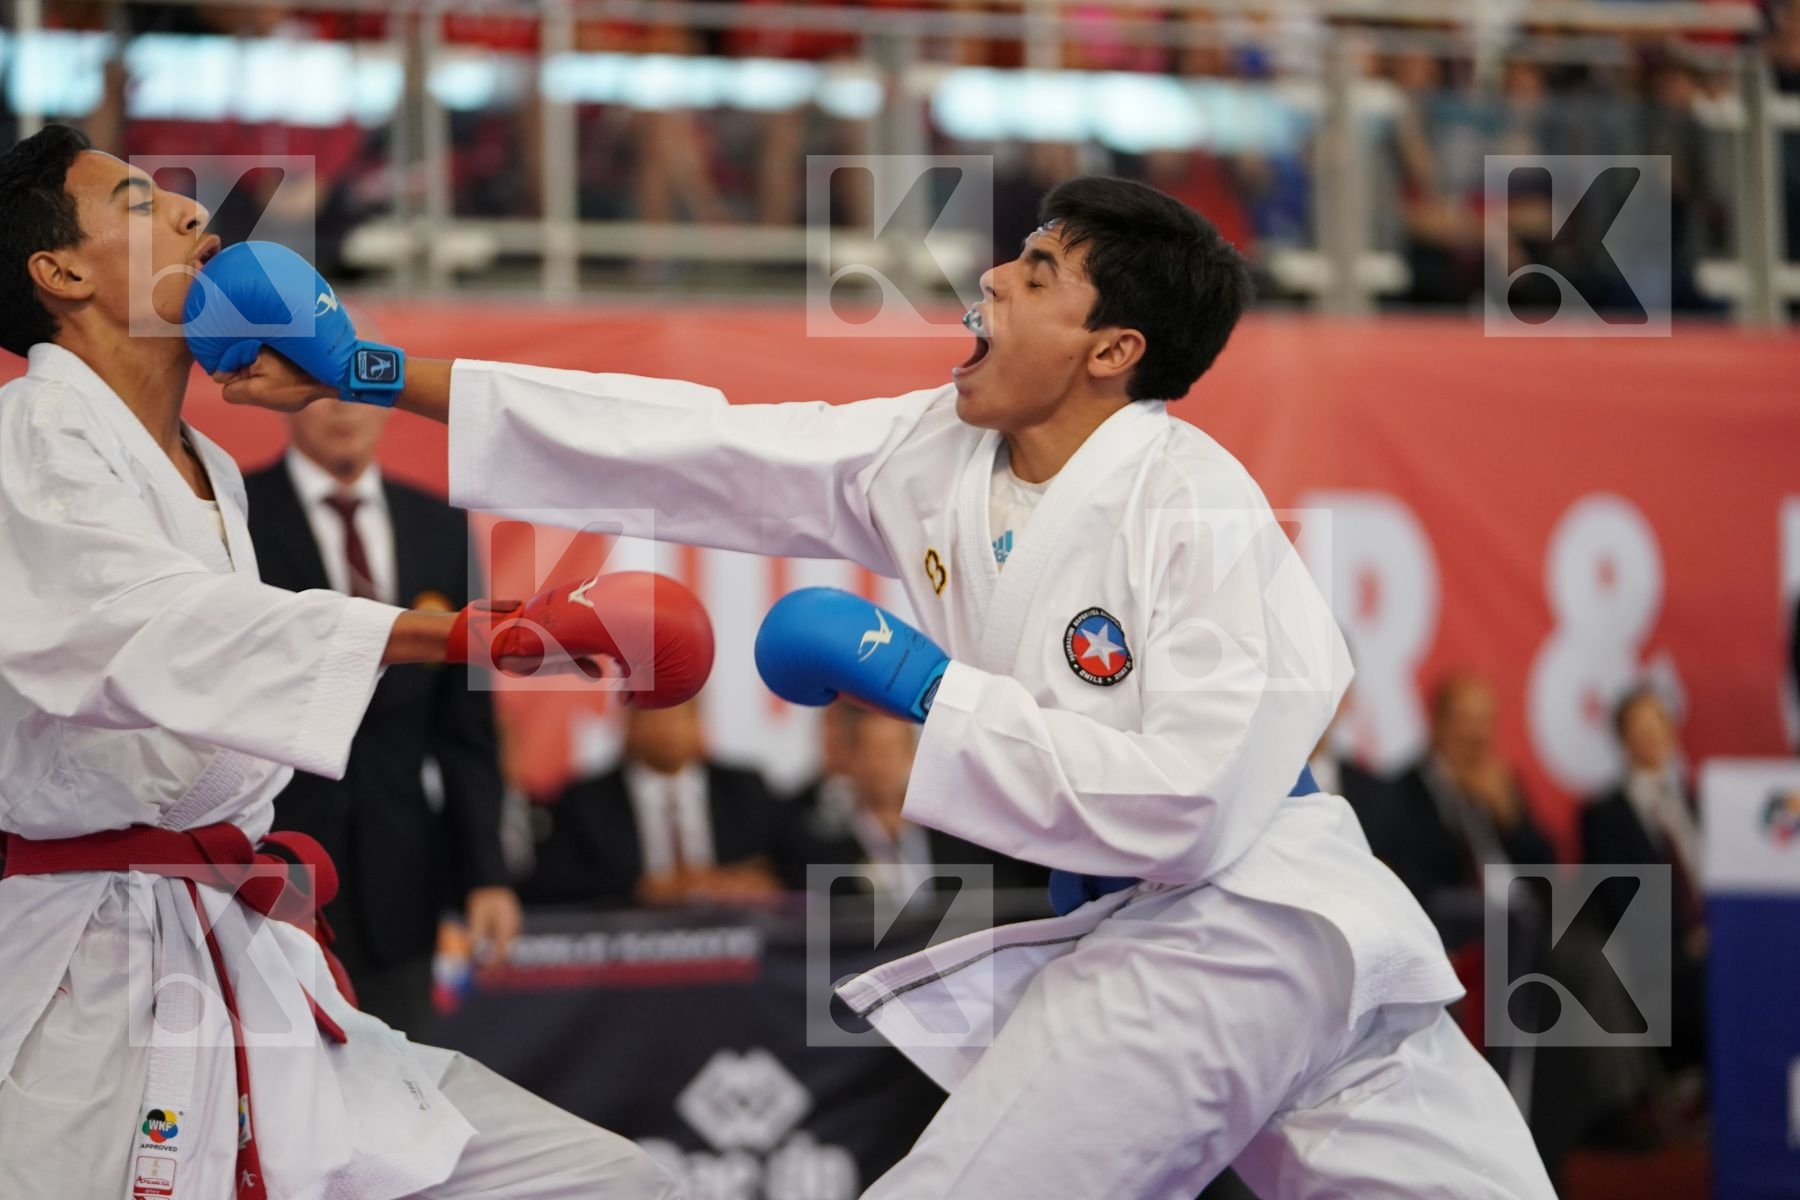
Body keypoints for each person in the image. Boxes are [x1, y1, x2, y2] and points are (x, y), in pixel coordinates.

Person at [215, 175, 1555, 1197]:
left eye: (1036, 272)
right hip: (1192, 941)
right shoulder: (935, 457)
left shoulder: (1188, 497)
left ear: (1114, 349)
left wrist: (924, 689)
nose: (989, 280)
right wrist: (387, 377)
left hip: (1242, 922)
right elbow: (697, 446)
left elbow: (1194, 807)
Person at [0, 125, 697, 1199]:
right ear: (62, 273)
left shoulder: (209, 468)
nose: (195, 214)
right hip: (88, 977)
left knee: (614, 1182)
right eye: (141, 205)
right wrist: (464, 633)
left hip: (232, 944)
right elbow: (155, 631)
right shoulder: (29, 440)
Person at [245, 398, 520, 1036]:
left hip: (404, 875)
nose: (340, 409)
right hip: (271, 867)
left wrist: (487, 876)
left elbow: (467, 724)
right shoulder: (239, 512)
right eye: (317, 389)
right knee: (280, 1093)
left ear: (388, 405)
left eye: (357, 389)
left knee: (406, 1091)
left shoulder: (437, 525)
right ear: (284, 399)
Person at [523, 697, 786, 907]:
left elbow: (795, 862)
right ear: (628, 723)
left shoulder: (745, 789)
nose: (667, 727)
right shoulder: (585, 800)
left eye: (679, 714)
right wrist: (638, 890)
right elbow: (552, 884)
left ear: (698, 720)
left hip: (744, 947)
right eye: (654, 715)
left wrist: (760, 883)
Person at [780, 705, 1049, 897]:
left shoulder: (953, 829)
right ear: (851, 758)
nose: (882, 765)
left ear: (912, 755)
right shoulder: (822, 834)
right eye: (872, 751)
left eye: (892, 751)